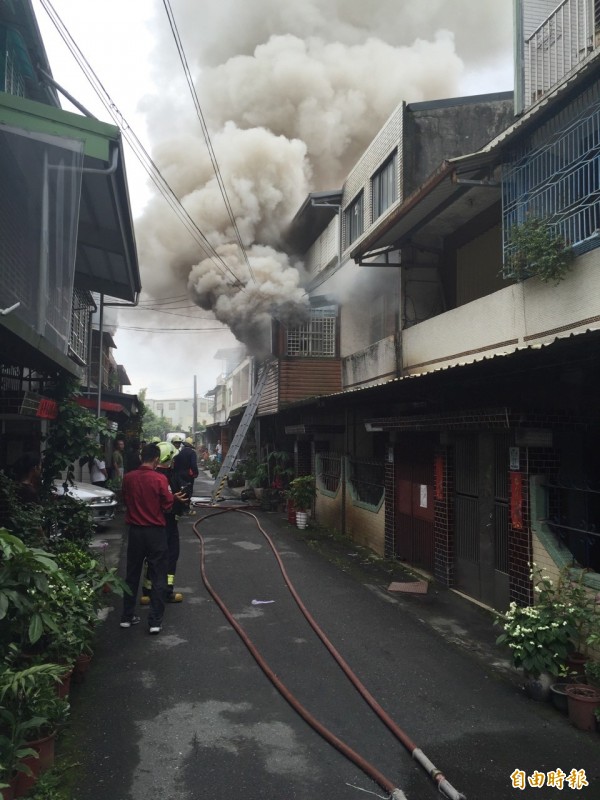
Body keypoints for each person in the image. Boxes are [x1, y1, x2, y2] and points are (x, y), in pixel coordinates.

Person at [119, 443, 186, 634]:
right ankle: (155, 622)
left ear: (142, 457)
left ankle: (127, 616)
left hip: (135, 532)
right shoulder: (158, 479)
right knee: (158, 575)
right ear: (156, 459)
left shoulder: (128, 478)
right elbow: (166, 505)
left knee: (132, 574)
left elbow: (126, 499)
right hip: (155, 532)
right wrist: (175, 500)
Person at [141, 441, 188, 605]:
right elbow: (177, 502)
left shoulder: (146, 476)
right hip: (167, 524)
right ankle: (167, 592)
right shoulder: (168, 478)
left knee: (151, 557)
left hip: (147, 524)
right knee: (170, 556)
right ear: (168, 458)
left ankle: (147, 590)